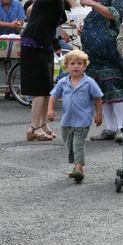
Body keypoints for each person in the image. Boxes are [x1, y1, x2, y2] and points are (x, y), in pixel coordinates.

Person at [80, 0, 123, 141]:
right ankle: (110, 128)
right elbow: (98, 16)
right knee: (100, 87)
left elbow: (116, 14)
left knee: (113, 84)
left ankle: (122, 128)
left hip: (109, 48)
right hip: (94, 51)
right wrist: (85, 25)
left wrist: (92, 3)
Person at [21, 0, 70, 142]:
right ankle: (33, 127)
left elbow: (50, 26)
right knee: (39, 89)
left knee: (47, 87)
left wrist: (56, 45)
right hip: (33, 45)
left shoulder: (57, 2)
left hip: (44, 45)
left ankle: (41, 125)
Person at [47, 50, 103, 182]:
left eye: (79, 63)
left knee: (78, 144)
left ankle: (79, 169)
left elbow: (98, 98)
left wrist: (99, 114)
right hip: (67, 120)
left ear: (85, 66)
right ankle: (77, 165)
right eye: (72, 63)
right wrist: (50, 109)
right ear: (66, 66)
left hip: (83, 120)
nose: (76, 66)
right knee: (69, 144)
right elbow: (54, 96)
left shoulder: (89, 82)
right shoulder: (63, 82)